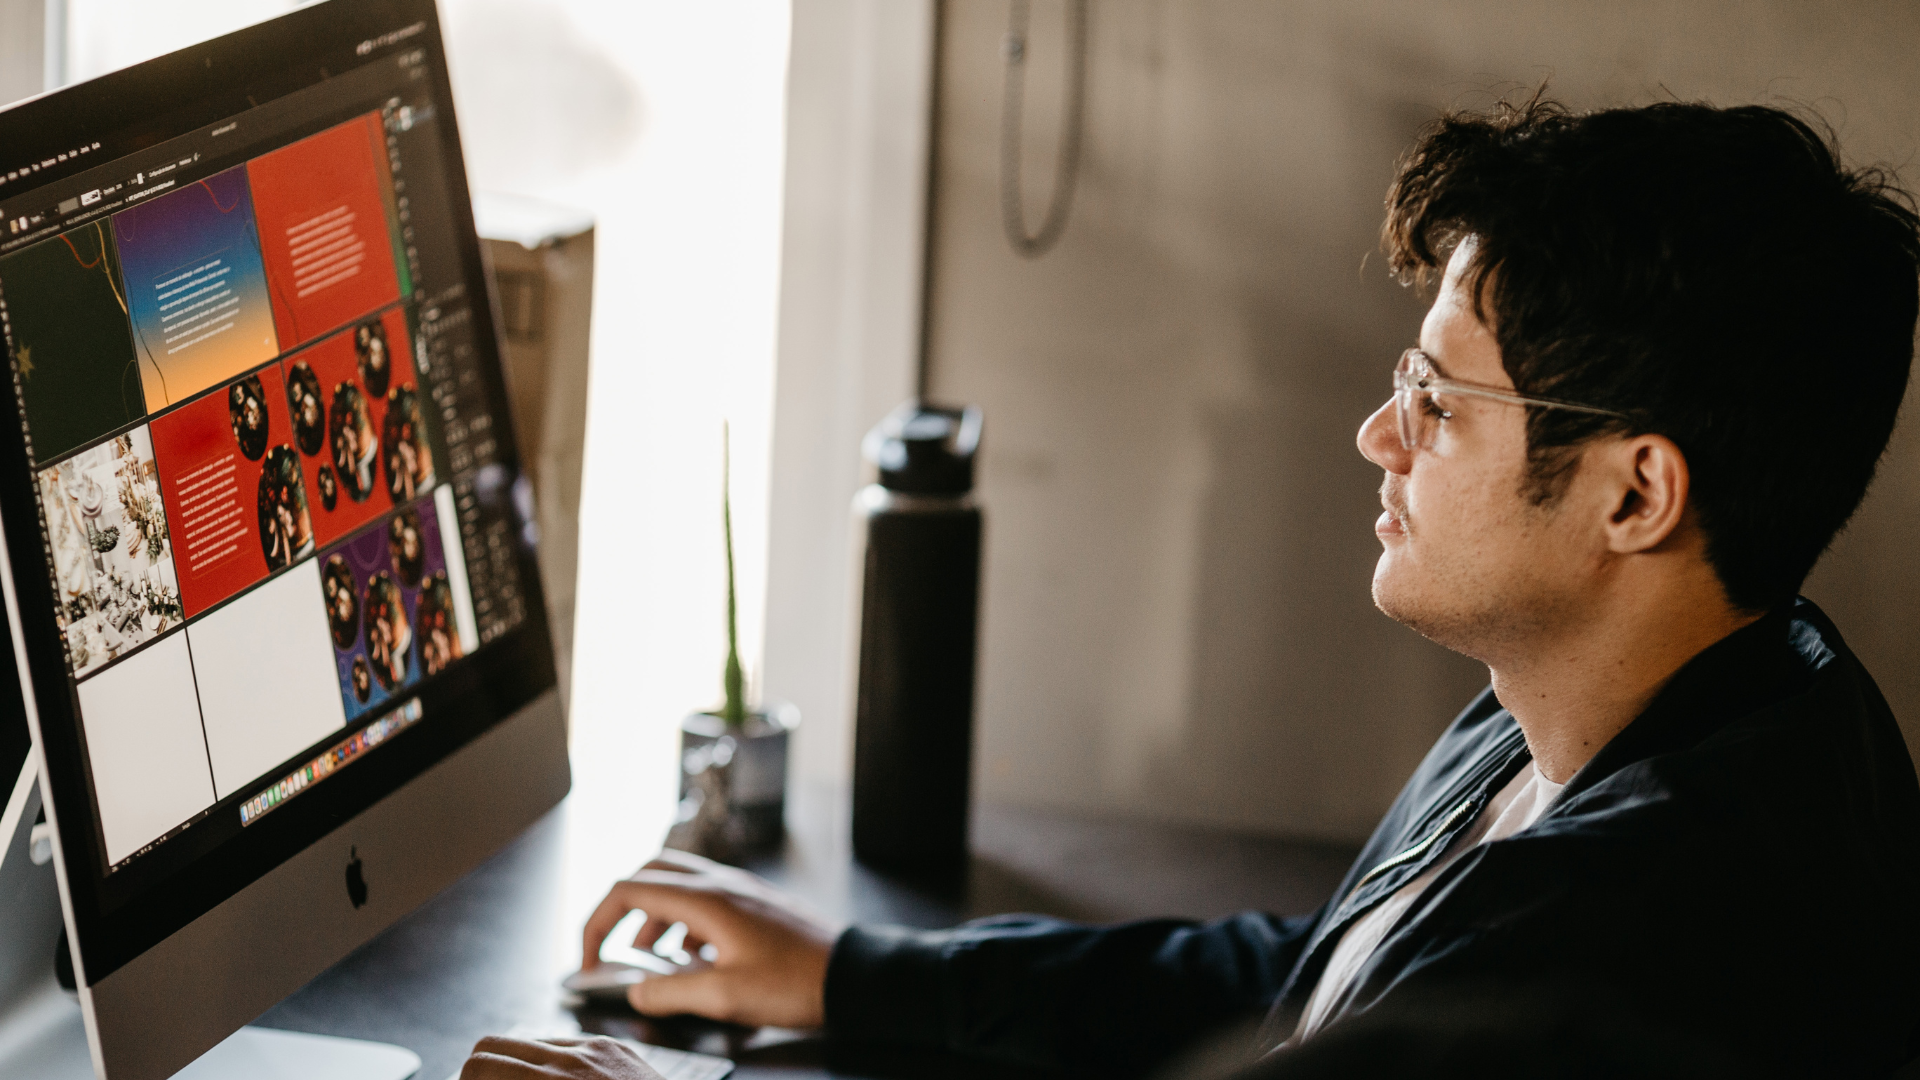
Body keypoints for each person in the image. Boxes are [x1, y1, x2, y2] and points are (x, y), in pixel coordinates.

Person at [462, 97, 1920, 1079]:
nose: (1377, 434)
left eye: (1438, 401)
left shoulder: (1625, 963)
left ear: (1633, 494)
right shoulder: (1668, 687)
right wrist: (853, 979)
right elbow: (1322, 976)